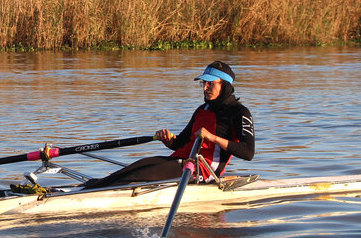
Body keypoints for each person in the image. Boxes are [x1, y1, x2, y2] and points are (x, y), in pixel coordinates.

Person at [82, 61, 255, 188]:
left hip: (204, 170)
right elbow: (181, 143)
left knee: (137, 175)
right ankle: (91, 187)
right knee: (136, 167)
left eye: (211, 83)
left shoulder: (239, 113)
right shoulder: (202, 109)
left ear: (224, 85)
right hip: (182, 161)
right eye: (204, 83)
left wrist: (212, 138)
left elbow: (248, 152)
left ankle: (95, 190)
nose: (205, 88)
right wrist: (169, 140)